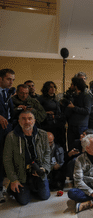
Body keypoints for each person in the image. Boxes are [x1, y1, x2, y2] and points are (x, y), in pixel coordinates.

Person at [3, 111, 51, 205]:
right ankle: (14, 188)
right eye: (23, 119)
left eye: (29, 118)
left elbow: (47, 153)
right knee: (23, 201)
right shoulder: (11, 137)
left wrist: (44, 169)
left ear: (34, 120)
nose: (27, 121)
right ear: (19, 121)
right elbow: (7, 160)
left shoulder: (43, 134)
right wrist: (13, 179)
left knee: (45, 196)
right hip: (21, 174)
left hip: (38, 171)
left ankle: (33, 187)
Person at [0, 68, 15, 203]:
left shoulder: (7, 93)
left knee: (7, 157)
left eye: (12, 80)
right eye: (8, 79)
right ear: (0, 78)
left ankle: (5, 185)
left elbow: (9, 111)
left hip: (8, 129)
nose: (11, 82)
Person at [64, 77, 92, 150]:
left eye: (72, 85)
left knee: (81, 146)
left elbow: (87, 111)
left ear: (76, 86)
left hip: (81, 126)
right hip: (72, 125)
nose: (70, 86)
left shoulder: (86, 96)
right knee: (71, 146)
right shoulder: (73, 96)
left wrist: (74, 107)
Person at [37, 81, 65, 147]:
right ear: (46, 89)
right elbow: (37, 111)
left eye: (54, 87)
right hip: (47, 124)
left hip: (57, 124)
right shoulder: (41, 99)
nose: (53, 89)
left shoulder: (56, 98)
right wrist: (46, 113)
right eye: (50, 87)